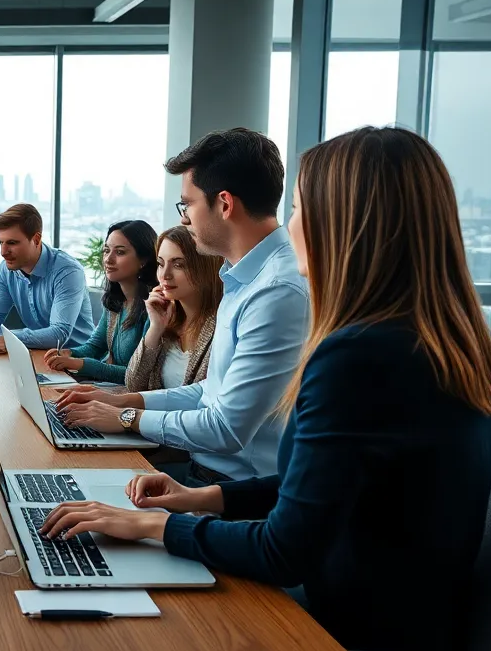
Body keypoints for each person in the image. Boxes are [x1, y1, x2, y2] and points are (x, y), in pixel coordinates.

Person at [37, 127, 491, 651]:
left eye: (302, 208)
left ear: (344, 224)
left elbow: (283, 550)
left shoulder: (357, 357)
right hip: (401, 621)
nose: (291, 224)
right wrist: (206, 498)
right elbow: (324, 487)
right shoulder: (435, 342)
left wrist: (152, 525)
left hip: (338, 642)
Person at [55, 128, 308, 484]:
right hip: (204, 473)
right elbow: (210, 392)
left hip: (232, 489)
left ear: (224, 204)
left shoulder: (276, 290)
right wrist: (122, 402)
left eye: (187, 204)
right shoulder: (242, 276)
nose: (183, 218)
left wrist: (127, 418)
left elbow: (225, 428)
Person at [0, 203, 95, 353]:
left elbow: (59, 333)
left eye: (12, 243)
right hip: (38, 355)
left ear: (36, 239)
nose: (3, 252)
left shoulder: (67, 272)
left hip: (77, 360)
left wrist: (9, 340)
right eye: (1, 242)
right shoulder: (6, 270)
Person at [44, 220, 156, 384]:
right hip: (109, 387)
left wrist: (81, 364)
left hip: (130, 393)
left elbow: (137, 376)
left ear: (143, 260)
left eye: (120, 252)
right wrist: (69, 353)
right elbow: (95, 347)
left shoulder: (153, 309)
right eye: (106, 250)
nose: (108, 259)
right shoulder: (115, 302)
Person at [124, 225, 222, 393]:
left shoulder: (221, 326)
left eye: (178, 265)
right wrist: (156, 328)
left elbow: (203, 399)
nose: (164, 275)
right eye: (161, 264)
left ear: (205, 268)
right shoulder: (168, 320)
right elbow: (133, 384)